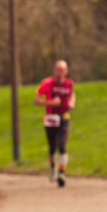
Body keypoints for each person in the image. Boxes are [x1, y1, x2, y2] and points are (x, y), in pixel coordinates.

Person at [34, 60, 76, 188]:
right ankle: (53, 168)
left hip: (64, 117)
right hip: (50, 117)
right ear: (54, 70)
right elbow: (36, 100)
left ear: (66, 71)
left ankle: (62, 173)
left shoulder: (69, 84)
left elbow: (73, 95)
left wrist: (72, 103)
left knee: (62, 144)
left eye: (62, 70)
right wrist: (50, 103)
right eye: (57, 69)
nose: (59, 72)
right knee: (52, 146)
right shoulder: (47, 83)